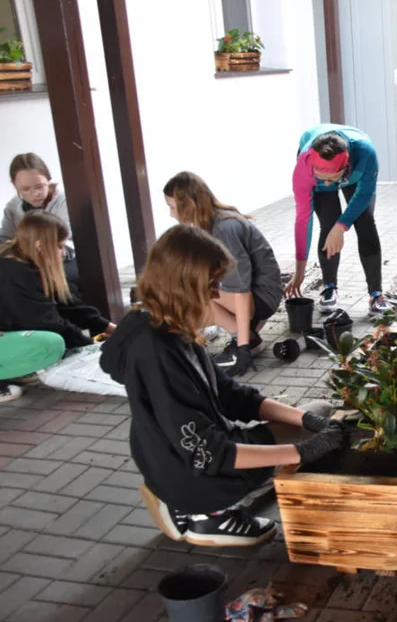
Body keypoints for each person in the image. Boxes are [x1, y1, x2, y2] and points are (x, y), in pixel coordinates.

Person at [100, 225, 349, 547]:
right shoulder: (156, 352)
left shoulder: (167, 326)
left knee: (319, 412)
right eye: (211, 286)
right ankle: (207, 516)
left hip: (182, 458)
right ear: (183, 286)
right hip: (191, 471)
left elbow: (232, 394)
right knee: (304, 448)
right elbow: (209, 452)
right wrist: (303, 451)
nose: (217, 295)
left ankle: (214, 497)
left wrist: (306, 421)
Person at [164, 172, 283, 377]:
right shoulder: (210, 222)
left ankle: (245, 339)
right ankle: (245, 335)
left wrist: (243, 345)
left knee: (191, 299)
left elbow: (241, 290)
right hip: (251, 292)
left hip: (261, 295)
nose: (171, 214)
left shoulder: (223, 228)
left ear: (190, 204)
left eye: (173, 207)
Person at [285, 124, 385, 314]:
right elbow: (303, 219)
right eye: (322, 178)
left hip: (353, 177)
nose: (328, 183)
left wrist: (341, 226)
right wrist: (299, 270)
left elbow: (365, 193)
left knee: (365, 223)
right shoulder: (304, 167)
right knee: (328, 224)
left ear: (345, 166)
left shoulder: (366, 154)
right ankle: (329, 287)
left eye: (332, 178)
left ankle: (376, 293)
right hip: (323, 170)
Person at [0, 211, 115, 350]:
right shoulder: (16, 273)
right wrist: (91, 345)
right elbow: (48, 322)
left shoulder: (30, 260)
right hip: (7, 338)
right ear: (39, 246)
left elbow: (69, 306)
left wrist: (112, 329)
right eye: (59, 246)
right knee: (53, 342)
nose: (63, 253)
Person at [3, 153, 80, 292]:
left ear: (48, 179)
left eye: (39, 186)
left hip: (62, 259)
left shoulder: (64, 202)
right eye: (25, 189)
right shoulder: (13, 206)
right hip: (28, 262)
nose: (35, 193)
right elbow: (5, 239)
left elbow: (65, 241)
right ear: (14, 185)